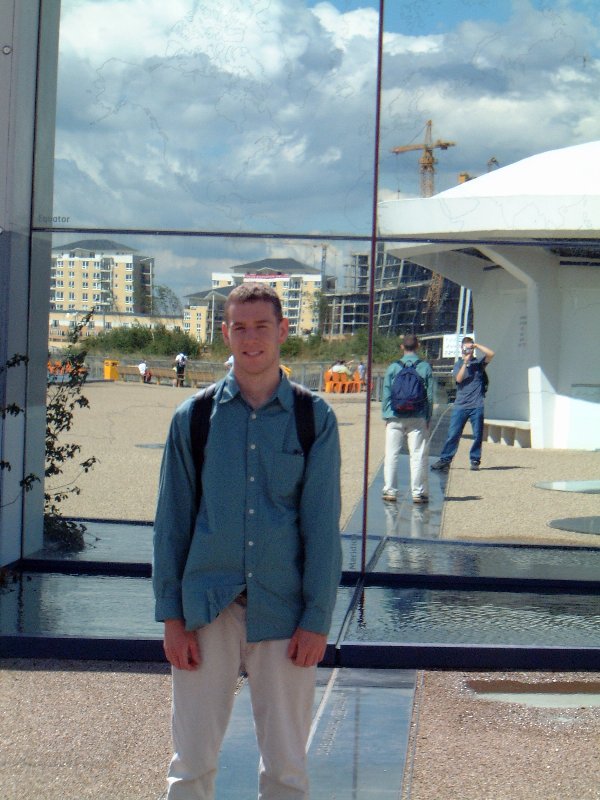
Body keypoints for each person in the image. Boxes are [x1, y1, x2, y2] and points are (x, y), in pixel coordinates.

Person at [153, 282, 342, 800]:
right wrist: (172, 617)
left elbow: (323, 529)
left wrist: (317, 619)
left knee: (286, 772)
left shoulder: (314, 419)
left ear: (282, 331)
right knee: (190, 766)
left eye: (262, 326)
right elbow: (171, 524)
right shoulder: (193, 419)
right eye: (240, 327)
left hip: (284, 610)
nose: (251, 338)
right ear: (225, 333)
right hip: (206, 610)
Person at [381, 334, 433, 504]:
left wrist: (386, 415)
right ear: (417, 346)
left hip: (394, 416)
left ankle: (390, 491)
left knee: (391, 454)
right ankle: (417, 492)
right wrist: (428, 417)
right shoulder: (424, 367)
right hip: (417, 416)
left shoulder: (393, 367)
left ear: (402, 347)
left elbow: (387, 393)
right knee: (417, 455)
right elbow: (430, 396)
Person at [431, 336, 495, 472]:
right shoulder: (458, 364)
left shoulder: (479, 363)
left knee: (477, 434)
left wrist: (477, 345)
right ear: (461, 348)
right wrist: (466, 363)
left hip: (476, 405)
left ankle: (475, 459)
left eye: (470, 347)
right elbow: (459, 379)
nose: (468, 349)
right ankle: (445, 459)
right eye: (466, 347)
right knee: (453, 434)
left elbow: (491, 354)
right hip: (460, 405)